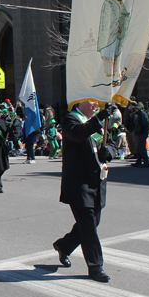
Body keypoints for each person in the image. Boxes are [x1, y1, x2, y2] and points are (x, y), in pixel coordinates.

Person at [52, 101, 115, 282]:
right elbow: (78, 134)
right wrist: (99, 119)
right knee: (88, 227)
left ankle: (64, 246)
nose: (96, 104)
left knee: (91, 223)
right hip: (79, 183)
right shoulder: (70, 119)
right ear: (81, 102)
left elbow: (112, 144)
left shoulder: (98, 123)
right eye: (92, 101)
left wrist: (107, 152)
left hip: (97, 181)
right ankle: (96, 267)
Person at [131, 102, 149, 168]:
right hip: (140, 134)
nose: (136, 110)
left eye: (137, 108)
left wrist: (139, 132)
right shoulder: (139, 115)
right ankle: (138, 161)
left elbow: (142, 125)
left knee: (142, 148)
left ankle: (145, 162)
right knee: (139, 148)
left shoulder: (142, 115)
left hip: (142, 134)